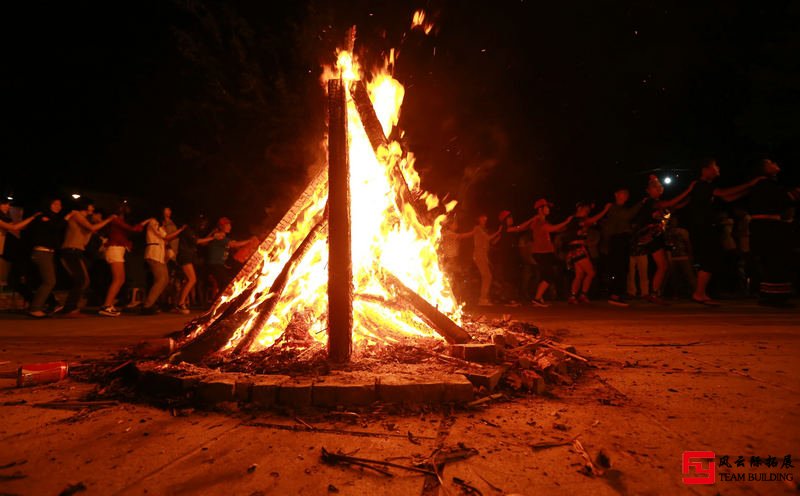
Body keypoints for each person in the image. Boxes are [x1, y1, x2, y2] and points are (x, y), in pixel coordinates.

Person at [663, 159, 764, 305]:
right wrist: (749, 184)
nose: (718, 169)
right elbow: (723, 193)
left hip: (705, 226)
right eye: (715, 166)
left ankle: (701, 292)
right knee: (708, 259)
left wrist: (750, 188)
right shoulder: (701, 185)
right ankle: (699, 293)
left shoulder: (705, 186)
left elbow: (727, 197)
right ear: (705, 170)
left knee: (711, 259)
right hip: (701, 227)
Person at [748, 159, 800, 307]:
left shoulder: (766, 184)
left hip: (767, 226)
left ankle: (771, 296)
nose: (775, 164)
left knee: (772, 260)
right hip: (768, 227)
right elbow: (784, 199)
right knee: (776, 260)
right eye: (769, 163)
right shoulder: (765, 184)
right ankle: (775, 297)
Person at [59, 199, 115, 316]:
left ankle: (71, 307)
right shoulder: (77, 215)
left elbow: (88, 236)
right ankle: (69, 308)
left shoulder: (84, 220)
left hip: (77, 251)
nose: (93, 209)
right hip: (70, 250)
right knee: (81, 280)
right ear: (85, 206)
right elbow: (91, 228)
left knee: (84, 281)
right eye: (91, 206)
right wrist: (108, 220)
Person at [99, 204, 148, 317]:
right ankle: (106, 306)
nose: (127, 210)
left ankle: (108, 305)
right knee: (118, 279)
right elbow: (132, 229)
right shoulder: (115, 218)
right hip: (114, 249)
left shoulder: (118, 220)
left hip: (117, 249)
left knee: (120, 279)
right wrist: (145, 222)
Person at [630, 176, 671, 304]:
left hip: (656, 236)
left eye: (659, 186)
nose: (658, 188)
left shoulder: (657, 203)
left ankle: (654, 292)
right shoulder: (650, 202)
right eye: (654, 186)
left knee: (662, 266)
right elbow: (670, 204)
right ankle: (653, 293)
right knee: (662, 265)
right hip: (650, 237)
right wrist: (688, 192)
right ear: (648, 190)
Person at [600, 188, 642, 307]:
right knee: (619, 268)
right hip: (617, 240)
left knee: (622, 268)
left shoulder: (621, 208)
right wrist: (640, 204)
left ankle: (618, 294)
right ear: (616, 194)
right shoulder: (613, 208)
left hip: (621, 240)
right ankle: (615, 295)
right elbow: (627, 216)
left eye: (626, 195)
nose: (624, 196)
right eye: (622, 194)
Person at [563, 202, 612, 303]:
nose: (587, 212)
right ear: (579, 208)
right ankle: (582, 294)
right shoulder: (575, 219)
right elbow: (593, 220)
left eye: (588, 211)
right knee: (591, 272)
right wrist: (605, 210)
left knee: (579, 274)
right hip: (577, 249)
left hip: (578, 248)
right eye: (586, 210)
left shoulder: (578, 220)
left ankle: (573, 296)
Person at [26, 198, 67, 318]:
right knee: (49, 281)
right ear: (48, 204)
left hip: (48, 253)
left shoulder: (52, 218)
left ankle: (45, 305)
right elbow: (55, 227)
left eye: (60, 204)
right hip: (41, 252)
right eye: (55, 204)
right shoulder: (43, 217)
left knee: (48, 281)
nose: (58, 206)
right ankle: (34, 308)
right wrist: (67, 218)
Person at [529, 199, 573, 307]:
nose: (548, 209)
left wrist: (566, 226)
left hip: (545, 252)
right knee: (548, 275)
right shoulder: (538, 221)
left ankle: (538, 298)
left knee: (546, 275)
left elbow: (555, 229)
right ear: (540, 209)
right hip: (541, 252)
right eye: (546, 207)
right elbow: (551, 229)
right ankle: (537, 298)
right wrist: (566, 222)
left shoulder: (543, 221)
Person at [141, 217, 185, 314]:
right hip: (154, 254)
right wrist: (180, 230)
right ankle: (147, 305)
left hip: (160, 256)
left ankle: (152, 303)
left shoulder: (159, 226)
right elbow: (166, 237)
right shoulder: (154, 222)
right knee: (161, 279)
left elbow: (166, 239)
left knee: (164, 280)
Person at [456, 214, 501, 306]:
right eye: (483, 217)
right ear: (478, 219)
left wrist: (498, 236)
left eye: (485, 217)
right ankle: (482, 299)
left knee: (487, 276)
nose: (485, 218)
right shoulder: (478, 228)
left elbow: (487, 241)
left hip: (483, 255)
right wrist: (498, 231)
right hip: (479, 255)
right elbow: (487, 238)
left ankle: (484, 298)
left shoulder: (482, 229)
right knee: (487, 276)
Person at [174, 216, 215, 314]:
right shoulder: (188, 230)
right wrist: (213, 237)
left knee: (188, 280)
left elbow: (201, 242)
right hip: (184, 256)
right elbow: (197, 241)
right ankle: (181, 303)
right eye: (202, 224)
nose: (203, 226)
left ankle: (178, 303)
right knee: (192, 279)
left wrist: (212, 235)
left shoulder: (192, 232)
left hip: (187, 257)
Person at [205, 217, 254, 297]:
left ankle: (217, 302)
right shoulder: (219, 236)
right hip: (215, 265)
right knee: (226, 283)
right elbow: (233, 244)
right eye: (227, 225)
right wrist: (249, 241)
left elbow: (234, 244)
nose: (230, 226)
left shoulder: (223, 237)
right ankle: (217, 303)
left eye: (229, 224)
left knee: (225, 283)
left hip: (219, 265)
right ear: (221, 226)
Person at [0, 199, 39, 289]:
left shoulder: (5, 219)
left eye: (9, 205)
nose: (8, 207)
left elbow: (19, 227)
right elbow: (14, 227)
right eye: (4, 204)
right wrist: (32, 217)